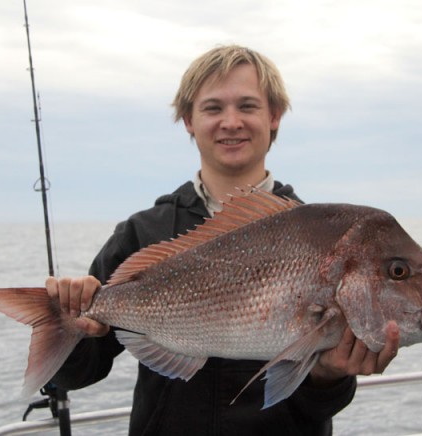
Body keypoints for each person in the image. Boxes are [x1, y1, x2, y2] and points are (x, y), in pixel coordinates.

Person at [47, 45, 400, 436]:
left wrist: (329, 376)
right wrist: (70, 324)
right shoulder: (141, 233)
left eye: (247, 106)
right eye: (213, 108)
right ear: (188, 121)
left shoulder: (320, 235)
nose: (231, 122)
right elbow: (75, 375)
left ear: (274, 116)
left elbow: (316, 405)